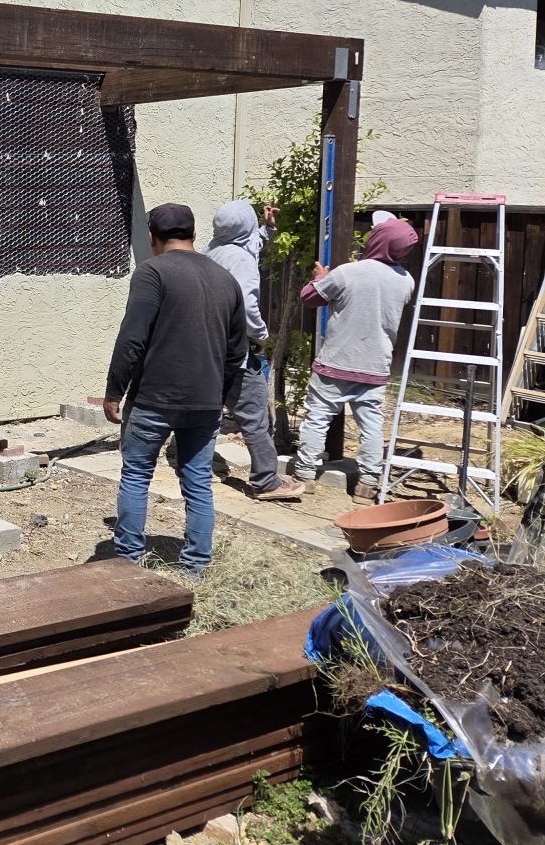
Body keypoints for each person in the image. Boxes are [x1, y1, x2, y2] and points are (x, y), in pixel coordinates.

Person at [103, 204, 247, 577]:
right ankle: (196, 567)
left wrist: (114, 390)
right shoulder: (225, 278)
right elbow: (237, 351)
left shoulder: (152, 272)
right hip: (205, 402)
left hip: (155, 398)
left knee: (136, 474)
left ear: (152, 237)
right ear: (195, 235)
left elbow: (132, 338)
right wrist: (221, 397)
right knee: (198, 481)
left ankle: (128, 564)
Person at [291, 216, 419, 487]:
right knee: (371, 425)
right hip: (375, 367)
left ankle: (305, 474)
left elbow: (309, 298)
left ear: (377, 240)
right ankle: (369, 481)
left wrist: (321, 278)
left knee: (317, 418)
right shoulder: (406, 281)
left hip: (336, 363)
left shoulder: (348, 273)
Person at [204, 201, 307, 501]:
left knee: (210, 412)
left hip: (209, 345)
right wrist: (261, 335)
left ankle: (199, 469)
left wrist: (267, 230)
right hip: (236, 349)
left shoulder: (214, 251)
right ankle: (266, 481)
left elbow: (248, 244)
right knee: (254, 416)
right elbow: (247, 308)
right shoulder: (242, 262)